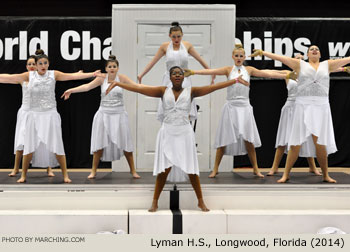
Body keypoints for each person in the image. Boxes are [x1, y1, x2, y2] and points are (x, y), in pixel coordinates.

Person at [106, 66, 248, 212]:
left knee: (191, 169)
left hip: (184, 133)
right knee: (164, 170)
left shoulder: (191, 91)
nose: (177, 75)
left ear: (183, 77)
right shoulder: (162, 91)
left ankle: (200, 201)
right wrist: (118, 84)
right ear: (170, 77)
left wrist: (234, 81)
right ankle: (155, 202)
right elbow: (139, 89)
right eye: (174, 74)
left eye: (180, 73)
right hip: (168, 132)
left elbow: (214, 87)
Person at [250, 45, 350, 183]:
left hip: (321, 106)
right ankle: (286, 174)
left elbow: (347, 59)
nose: (314, 50)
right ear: (308, 54)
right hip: (303, 105)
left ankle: (325, 175)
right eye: (311, 49)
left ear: (320, 54)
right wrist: (263, 52)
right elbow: (281, 58)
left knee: (320, 143)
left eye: (317, 49)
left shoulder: (327, 65)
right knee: (295, 142)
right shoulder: (300, 64)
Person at [185, 44, 286, 178]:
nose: (239, 58)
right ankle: (215, 169)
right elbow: (211, 71)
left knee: (248, 139)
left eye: (241, 56)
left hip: (244, 107)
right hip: (231, 107)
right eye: (236, 56)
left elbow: (267, 73)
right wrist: (193, 72)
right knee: (223, 139)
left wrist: (286, 74)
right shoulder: (228, 70)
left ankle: (255, 168)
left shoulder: (249, 70)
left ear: (244, 57)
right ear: (233, 57)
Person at [0, 49, 99, 183]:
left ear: (48, 64)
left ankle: (65, 175)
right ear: (35, 65)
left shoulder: (54, 74)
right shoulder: (29, 76)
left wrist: (92, 74)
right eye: (40, 63)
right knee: (29, 146)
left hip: (50, 114)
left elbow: (72, 76)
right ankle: (23, 175)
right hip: (34, 115)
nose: (43, 65)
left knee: (57, 144)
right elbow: (8, 78)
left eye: (45, 63)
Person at [61, 55, 140, 179]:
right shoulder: (101, 79)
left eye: (114, 66)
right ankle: (93, 171)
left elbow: (136, 87)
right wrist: (71, 90)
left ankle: (133, 170)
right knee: (99, 144)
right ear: (106, 68)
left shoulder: (122, 78)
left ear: (118, 68)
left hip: (119, 114)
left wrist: (152, 89)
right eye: (110, 66)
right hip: (104, 114)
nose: (112, 68)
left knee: (126, 144)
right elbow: (87, 87)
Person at [137, 21, 214, 122]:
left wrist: (211, 72)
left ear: (182, 35)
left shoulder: (187, 45)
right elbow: (152, 62)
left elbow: (200, 60)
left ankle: (185, 130)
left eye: (179, 36)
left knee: (185, 107)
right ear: (169, 36)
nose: (176, 39)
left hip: (185, 79)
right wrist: (141, 75)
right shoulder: (164, 46)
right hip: (169, 80)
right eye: (174, 37)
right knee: (169, 106)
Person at [266, 54, 321, 176]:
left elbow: (325, 70)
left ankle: (312, 167)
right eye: (296, 59)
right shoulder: (287, 73)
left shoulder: (309, 74)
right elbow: (270, 72)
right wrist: (255, 72)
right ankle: (274, 167)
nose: (299, 61)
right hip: (289, 108)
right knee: (283, 138)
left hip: (302, 108)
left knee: (306, 137)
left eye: (301, 59)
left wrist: (343, 69)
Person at [6, 56, 54, 177]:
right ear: (26, 67)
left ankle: (48, 168)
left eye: (34, 64)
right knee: (21, 140)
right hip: (25, 113)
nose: (32, 66)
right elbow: (7, 77)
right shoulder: (23, 78)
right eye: (29, 64)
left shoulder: (44, 78)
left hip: (38, 113)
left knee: (43, 139)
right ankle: (16, 168)